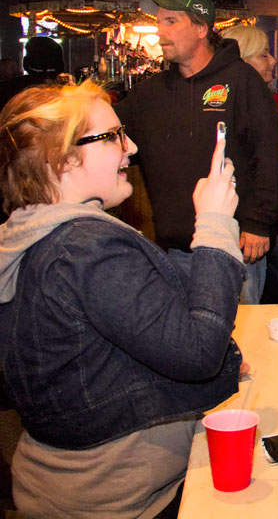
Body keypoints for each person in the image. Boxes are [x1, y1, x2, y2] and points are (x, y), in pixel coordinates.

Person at [0, 80, 244, 518]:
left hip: (67, 483)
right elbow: (199, 354)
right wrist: (215, 223)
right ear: (63, 158)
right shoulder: (86, 249)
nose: (131, 147)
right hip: (118, 499)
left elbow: (103, 355)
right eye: (113, 136)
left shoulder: (27, 232)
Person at [116, 0, 278, 305]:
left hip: (234, 247)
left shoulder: (241, 80)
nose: (160, 31)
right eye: (159, 21)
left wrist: (258, 223)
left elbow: (269, 156)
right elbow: (107, 132)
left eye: (171, 21)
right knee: (183, 335)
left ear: (200, 28)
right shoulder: (150, 93)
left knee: (239, 334)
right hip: (176, 250)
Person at [221, 24, 278, 303]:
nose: (273, 61)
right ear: (242, 62)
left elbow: (247, 157)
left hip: (251, 219)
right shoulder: (232, 102)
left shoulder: (248, 100)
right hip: (241, 225)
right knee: (249, 306)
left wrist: (276, 181)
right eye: (264, 54)